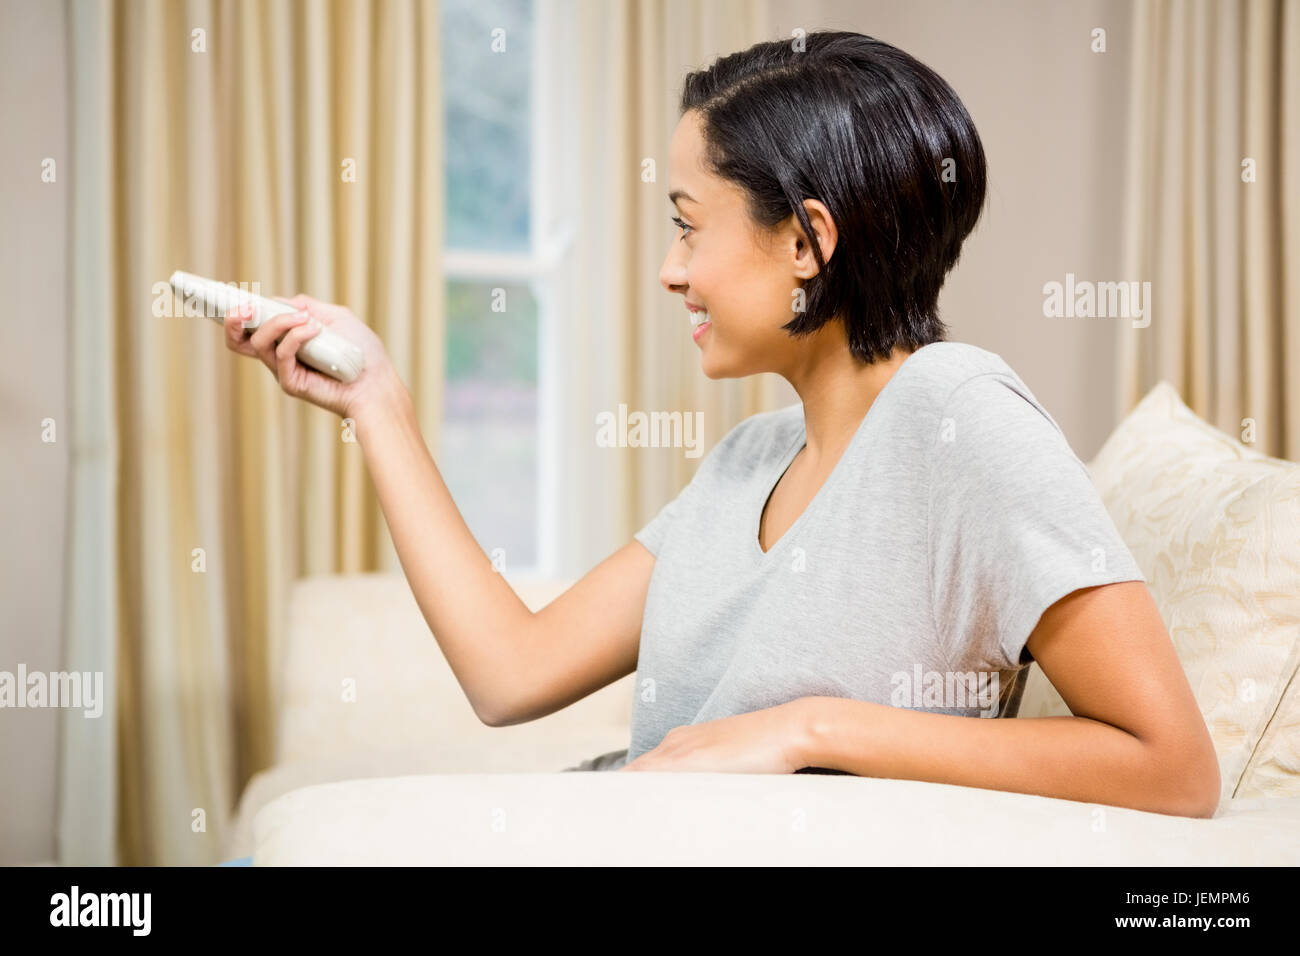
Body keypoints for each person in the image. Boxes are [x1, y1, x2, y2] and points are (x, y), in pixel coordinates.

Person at [226, 30, 1220, 818]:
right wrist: (378, 403)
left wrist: (808, 729)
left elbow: (1169, 761)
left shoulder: (958, 416)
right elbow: (508, 671)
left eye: (689, 223)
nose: (671, 268)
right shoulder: (752, 455)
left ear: (804, 239)